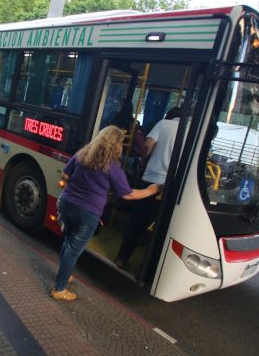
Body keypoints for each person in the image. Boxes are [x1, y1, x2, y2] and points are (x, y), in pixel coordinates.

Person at [50, 126, 160, 301]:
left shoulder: (82, 155)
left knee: (69, 241)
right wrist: (150, 191)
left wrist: (79, 185)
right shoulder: (112, 167)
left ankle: (63, 272)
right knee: (74, 249)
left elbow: (65, 175)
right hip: (87, 212)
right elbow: (127, 194)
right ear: (117, 145)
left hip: (66, 204)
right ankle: (59, 289)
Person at [114, 107, 182, 269]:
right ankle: (147, 264)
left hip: (151, 180)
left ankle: (122, 257)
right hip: (170, 186)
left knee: (137, 221)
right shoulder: (191, 131)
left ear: (169, 116)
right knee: (157, 225)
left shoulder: (164, 124)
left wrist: (143, 162)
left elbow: (147, 146)